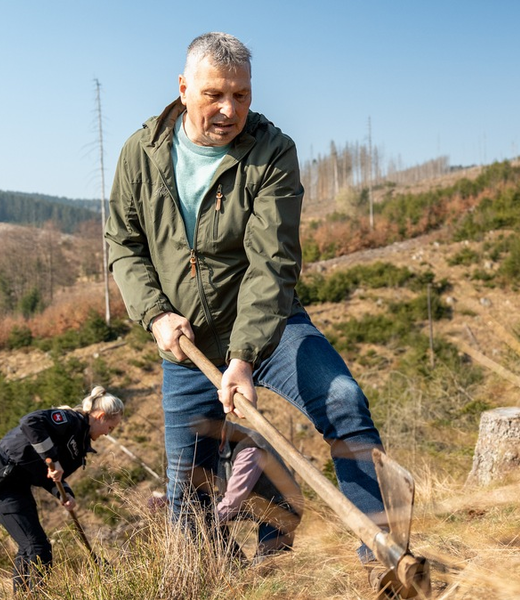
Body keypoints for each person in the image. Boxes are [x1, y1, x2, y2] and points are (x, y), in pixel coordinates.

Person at [104, 31, 389, 581]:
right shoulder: (141, 153)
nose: (229, 110)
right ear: (183, 89)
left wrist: (244, 356)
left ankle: (384, 557)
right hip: (186, 346)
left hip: (270, 329)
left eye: (241, 94)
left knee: (344, 401)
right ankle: (215, 581)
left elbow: (273, 260)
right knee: (188, 491)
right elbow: (124, 243)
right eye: (214, 94)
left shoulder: (272, 151)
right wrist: (156, 314)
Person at [0, 387, 124, 593]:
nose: (106, 433)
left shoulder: (80, 448)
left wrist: (65, 494)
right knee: (37, 548)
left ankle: (23, 596)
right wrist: (51, 458)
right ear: (101, 416)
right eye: (109, 428)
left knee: (30, 547)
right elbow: (30, 422)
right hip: (4, 478)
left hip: (17, 485)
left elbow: (50, 476)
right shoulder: (70, 419)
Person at [215, 420, 303, 566]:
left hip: (282, 507)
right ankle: (237, 567)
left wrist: (207, 524)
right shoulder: (213, 444)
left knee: (265, 570)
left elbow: (233, 501)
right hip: (255, 503)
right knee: (202, 509)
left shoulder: (248, 448)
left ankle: (251, 570)